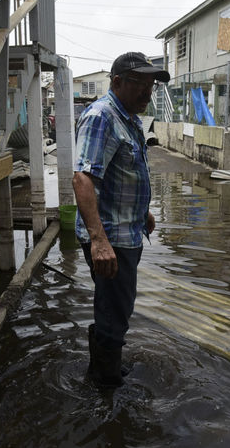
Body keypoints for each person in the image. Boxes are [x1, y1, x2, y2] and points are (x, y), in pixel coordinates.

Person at [72, 52, 169, 388]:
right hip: (110, 237)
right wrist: (98, 241)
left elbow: (122, 173)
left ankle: (106, 370)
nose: (147, 93)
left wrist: (143, 212)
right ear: (116, 83)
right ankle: (104, 385)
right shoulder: (101, 116)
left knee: (116, 306)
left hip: (126, 231)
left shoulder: (128, 117)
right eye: (140, 84)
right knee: (115, 309)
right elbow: (83, 179)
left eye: (151, 86)